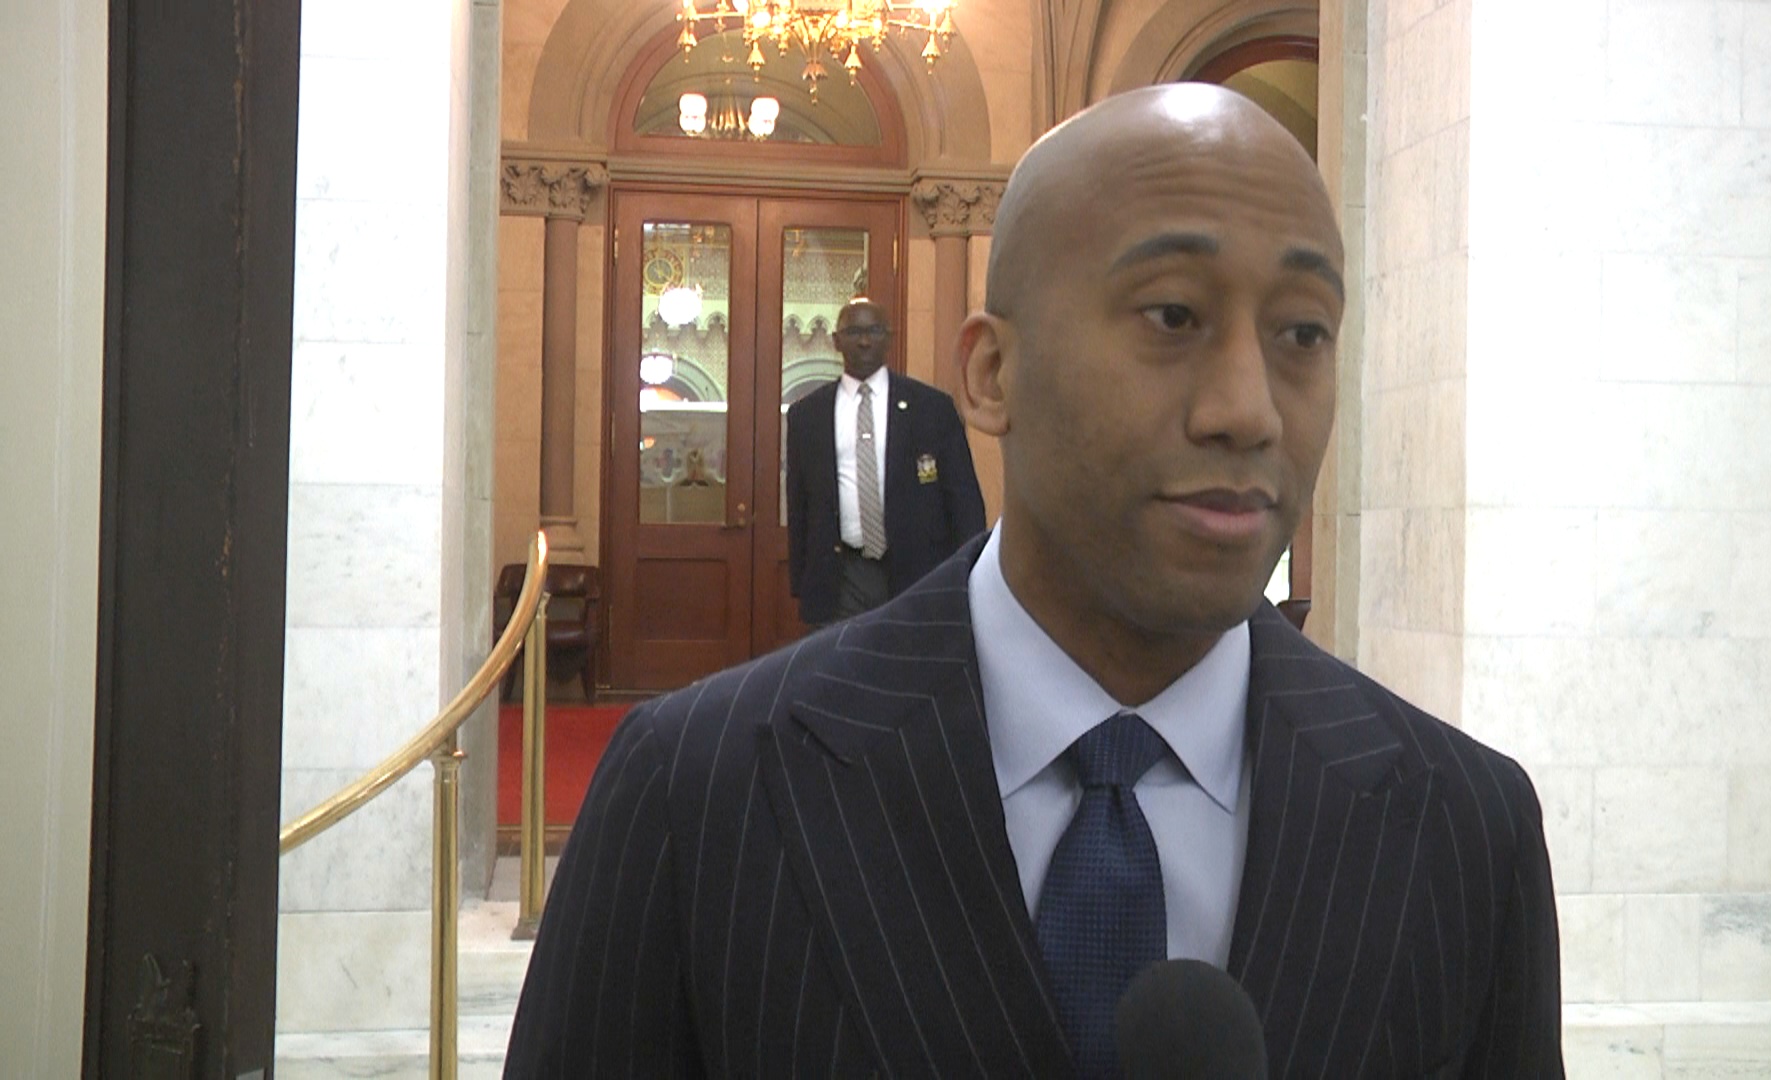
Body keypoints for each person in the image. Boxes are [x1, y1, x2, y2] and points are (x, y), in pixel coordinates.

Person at [506, 84, 1563, 1077]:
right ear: (992, 374)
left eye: (1302, 333)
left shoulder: (1467, 829)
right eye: (1172, 316)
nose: (1249, 411)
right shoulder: (698, 794)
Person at [784, 298, 987, 625]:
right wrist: (802, 581)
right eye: (854, 332)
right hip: (841, 576)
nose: (865, 341)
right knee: (843, 656)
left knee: (909, 656)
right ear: (836, 341)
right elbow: (799, 505)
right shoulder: (808, 416)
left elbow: (963, 500)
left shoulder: (932, 409)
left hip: (917, 572)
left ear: (890, 338)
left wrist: (967, 575)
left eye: (875, 331)